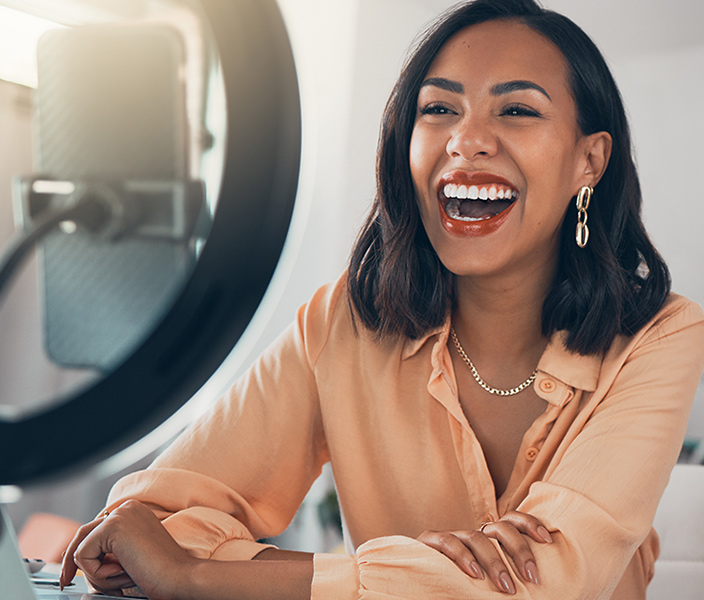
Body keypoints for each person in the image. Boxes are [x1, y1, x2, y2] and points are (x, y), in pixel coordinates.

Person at [60, 0, 704, 598]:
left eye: (517, 110)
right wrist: (413, 574)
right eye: (438, 109)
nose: (466, 140)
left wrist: (198, 578)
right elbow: (149, 525)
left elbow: (552, 581)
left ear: (589, 161)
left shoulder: (662, 336)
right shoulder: (341, 322)